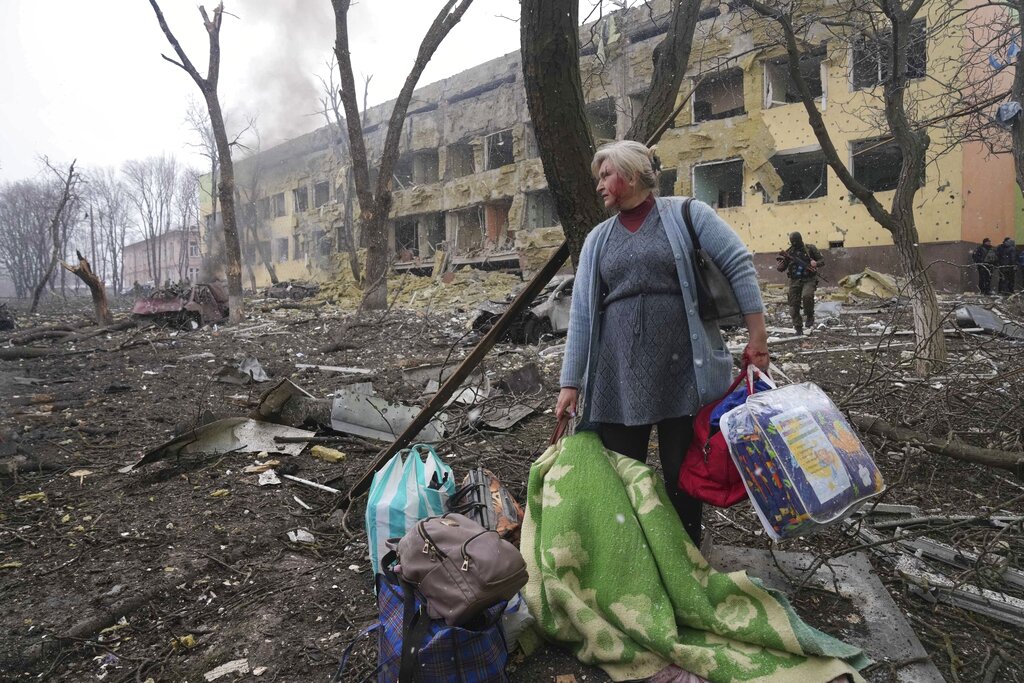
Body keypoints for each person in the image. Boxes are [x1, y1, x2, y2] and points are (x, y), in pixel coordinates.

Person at [554, 140, 769, 547]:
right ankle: (633, 561)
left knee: (681, 477)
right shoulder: (598, 239)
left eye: (606, 176)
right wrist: (570, 384)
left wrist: (758, 338)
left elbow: (739, 263)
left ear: (632, 175)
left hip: (684, 370)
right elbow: (582, 313)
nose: (599, 185)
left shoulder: (686, 213)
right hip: (619, 375)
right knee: (621, 476)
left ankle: (685, 559)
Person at [777, 232, 824, 335]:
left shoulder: (810, 248)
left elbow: (822, 260)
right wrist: (781, 264)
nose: (795, 243)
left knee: (807, 296)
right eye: (792, 241)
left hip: (809, 279)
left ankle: (809, 316)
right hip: (794, 280)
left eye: (796, 241)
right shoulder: (789, 252)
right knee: (793, 306)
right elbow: (781, 267)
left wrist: (816, 263)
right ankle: (798, 327)